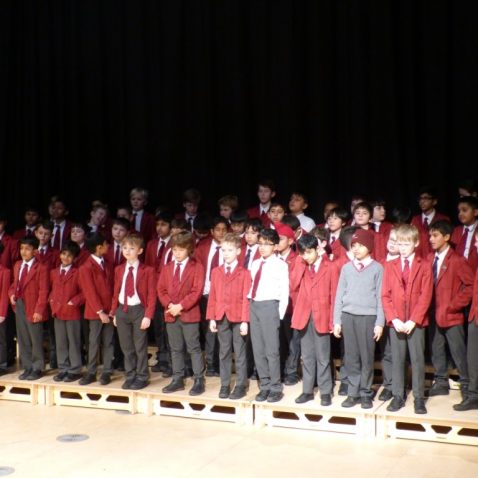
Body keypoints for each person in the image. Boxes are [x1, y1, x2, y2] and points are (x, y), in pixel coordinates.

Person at [381, 225, 433, 414]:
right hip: (396, 322)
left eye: (406, 244)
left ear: (416, 243)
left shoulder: (424, 264)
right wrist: (393, 319)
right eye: (399, 244)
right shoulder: (390, 265)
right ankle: (397, 395)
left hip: (415, 322)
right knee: (397, 359)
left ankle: (419, 397)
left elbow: (425, 296)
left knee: (418, 359)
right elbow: (385, 295)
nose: (402, 248)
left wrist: (413, 320)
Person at [333, 229, 384, 409]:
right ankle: (353, 392)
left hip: (367, 318)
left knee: (366, 357)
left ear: (369, 247)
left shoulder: (377, 268)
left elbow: (380, 297)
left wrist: (379, 323)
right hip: (348, 316)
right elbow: (339, 294)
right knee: (351, 356)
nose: (356, 249)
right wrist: (337, 321)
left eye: (360, 245)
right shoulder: (347, 268)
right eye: (353, 246)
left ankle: (365, 392)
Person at [427, 220, 473, 399]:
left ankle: (467, 386)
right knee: (436, 349)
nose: (431, 239)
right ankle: (440, 382)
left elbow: (470, 286)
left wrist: (454, 305)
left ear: (446, 237)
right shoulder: (430, 258)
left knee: (458, 351)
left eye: (435, 235)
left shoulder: (457, 260)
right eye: (430, 235)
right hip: (433, 314)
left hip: (452, 315)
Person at [157, 231, 206, 396]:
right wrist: (170, 305)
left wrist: (181, 306)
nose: (177, 253)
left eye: (181, 250)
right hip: (171, 313)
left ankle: (199, 379)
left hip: (189, 313)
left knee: (193, 347)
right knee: (175, 348)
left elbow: (196, 291)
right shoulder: (167, 267)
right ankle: (178, 378)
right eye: (174, 250)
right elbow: (161, 289)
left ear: (189, 249)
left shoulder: (197, 267)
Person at [207, 233, 251, 399]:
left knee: (239, 352)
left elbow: (246, 298)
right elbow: (213, 295)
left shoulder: (244, 273)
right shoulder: (216, 272)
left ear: (238, 251)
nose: (226, 253)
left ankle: (240, 384)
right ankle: (224, 384)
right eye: (223, 250)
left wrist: (245, 321)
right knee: (224, 351)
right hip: (221, 316)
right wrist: (212, 317)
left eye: (230, 250)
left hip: (238, 317)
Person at [291, 234, 334, 406]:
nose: (306, 256)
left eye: (309, 252)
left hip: (322, 314)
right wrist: (300, 263)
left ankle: (325, 391)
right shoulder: (300, 264)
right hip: (304, 315)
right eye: (302, 253)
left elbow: (334, 294)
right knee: (306, 355)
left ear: (317, 249)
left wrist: (333, 320)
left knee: (323, 356)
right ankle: (307, 390)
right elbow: (292, 284)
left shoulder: (329, 267)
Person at [248, 228, 289, 403]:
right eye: (260, 243)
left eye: (267, 244)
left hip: (270, 306)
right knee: (258, 349)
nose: (263, 247)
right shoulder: (255, 263)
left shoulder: (280, 264)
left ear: (275, 246)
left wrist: (279, 314)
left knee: (271, 350)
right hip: (254, 305)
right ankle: (264, 385)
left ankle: (275, 386)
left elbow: (284, 291)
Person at [111, 233, 156, 390]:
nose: (127, 251)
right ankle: (130, 375)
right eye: (124, 248)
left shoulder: (147, 270)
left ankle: (142, 376)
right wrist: (113, 313)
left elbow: (151, 294)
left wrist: (148, 315)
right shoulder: (118, 269)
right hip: (122, 309)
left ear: (140, 251)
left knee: (139, 346)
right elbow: (116, 292)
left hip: (138, 310)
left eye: (132, 248)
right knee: (126, 346)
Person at [9, 236, 49, 380]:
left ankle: (38, 367)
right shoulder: (18, 265)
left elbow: (44, 291)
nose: (23, 252)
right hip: (20, 304)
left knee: (35, 337)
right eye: (21, 248)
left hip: (33, 305)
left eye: (27, 249)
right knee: (22, 337)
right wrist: (12, 294)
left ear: (35, 251)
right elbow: (15, 284)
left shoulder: (41, 267)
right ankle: (27, 366)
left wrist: (39, 310)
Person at [78, 233, 115, 385]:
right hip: (96, 312)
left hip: (109, 310)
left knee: (108, 341)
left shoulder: (107, 263)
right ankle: (91, 372)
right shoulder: (86, 267)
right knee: (93, 342)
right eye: (106, 244)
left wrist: (112, 310)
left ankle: (107, 371)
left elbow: (112, 288)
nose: (108, 246)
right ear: (99, 247)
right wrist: (100, 312)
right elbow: (89, 292)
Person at [194, 217, 229, 376]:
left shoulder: (230, 248)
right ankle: (211, 365)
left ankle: (222, 365)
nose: (221, 232)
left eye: (224, 229)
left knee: (223, 331)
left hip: (224, 295)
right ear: (211, 232)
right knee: (209, 331)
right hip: (206, 294)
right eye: (217, 229)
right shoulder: (203, 246)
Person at [49, 241, 84, 382]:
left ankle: (75, 369)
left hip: (72, 312)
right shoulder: (54, 272)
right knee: (61, 342)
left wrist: (74, 302)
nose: (65, 257)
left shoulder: (78, 272)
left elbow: (84, 292)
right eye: (63, 254)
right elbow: (52, 290)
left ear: (74, 258)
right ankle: (63, 368)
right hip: (57, 311)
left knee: (73, 341)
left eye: (69, 255)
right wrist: (50, 300)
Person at [454, 228, 478, 411]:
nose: (475, 245)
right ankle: (473, 395)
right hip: (475, 316)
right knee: (473, 358)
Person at [411, 186, 449, 258]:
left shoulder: (443, 219)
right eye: (420, 199)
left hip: (437, 258)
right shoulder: (415, 219)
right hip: (418, 259)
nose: (422, 201)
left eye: (426, 198)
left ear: (434, 201)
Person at [450, 196, 478, 273]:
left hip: (474, 273)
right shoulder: (456, 230)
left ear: (475, 212)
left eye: (464, 210)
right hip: (457, 273)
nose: (460, 214)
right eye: (459, 211)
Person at [0, 243, 11, 375]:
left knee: (1, 339)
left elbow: (4, 294)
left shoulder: (5, 271)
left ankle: (2, 364)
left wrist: (2, 313)